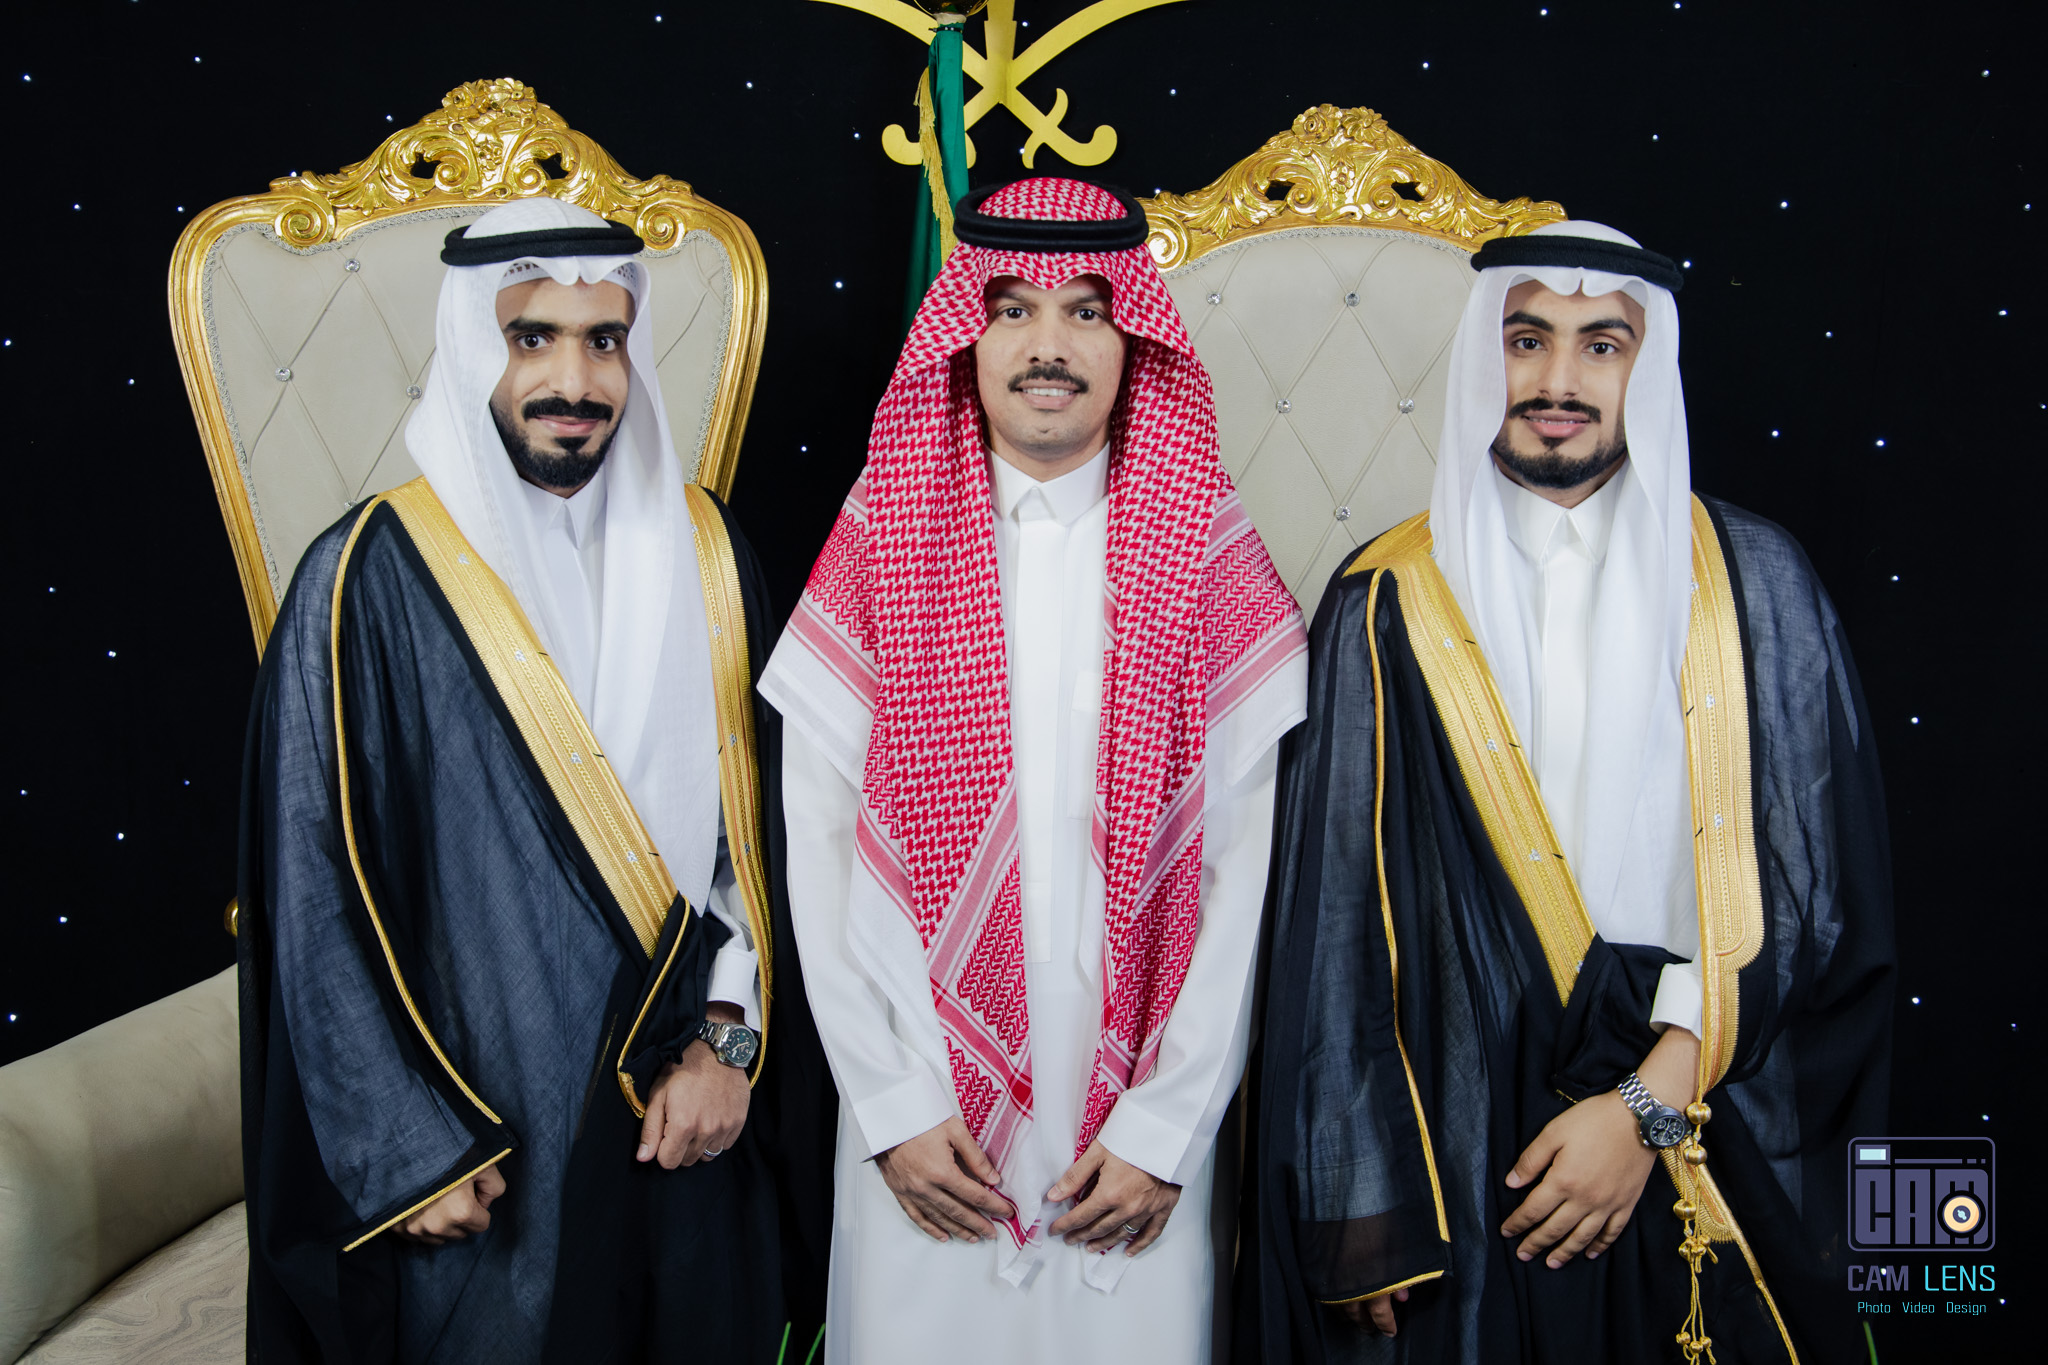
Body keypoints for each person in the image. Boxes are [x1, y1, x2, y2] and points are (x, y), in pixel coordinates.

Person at [1236, 222, 1894, 1364]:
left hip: (1698, 1105)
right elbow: (1335, 922)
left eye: (1602, 346)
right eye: (1526, 339)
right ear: (1481, 359)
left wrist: (1645, 1108)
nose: (1557, 381)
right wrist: (1362, 1206)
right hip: (1459, 1136)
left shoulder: (1756, 581)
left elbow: (1811, 896)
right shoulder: (1385, 597)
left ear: (1648, 367)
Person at [236, 198, 833, 1363]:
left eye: (604, 340)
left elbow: (754, 856)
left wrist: (728, 1047)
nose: (575, 379)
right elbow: (310, 894)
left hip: (686, 1127)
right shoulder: (364, 578)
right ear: (475, 348)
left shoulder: (709, 555)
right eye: (532, 338)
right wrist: (409, 1153)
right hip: (479, 1164)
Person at [761, 177, 1308, 1364]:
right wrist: (891, 1106)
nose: (1046, 347)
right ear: (965, 333)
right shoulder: (883, 532)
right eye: (1010, 310)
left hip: (1140, 1138)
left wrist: (1169, 1126)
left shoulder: (1203, 546)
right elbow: (815, 845)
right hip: (926, 1122)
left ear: (1133, 339)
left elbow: (1248, 872)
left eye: (1085, 312)